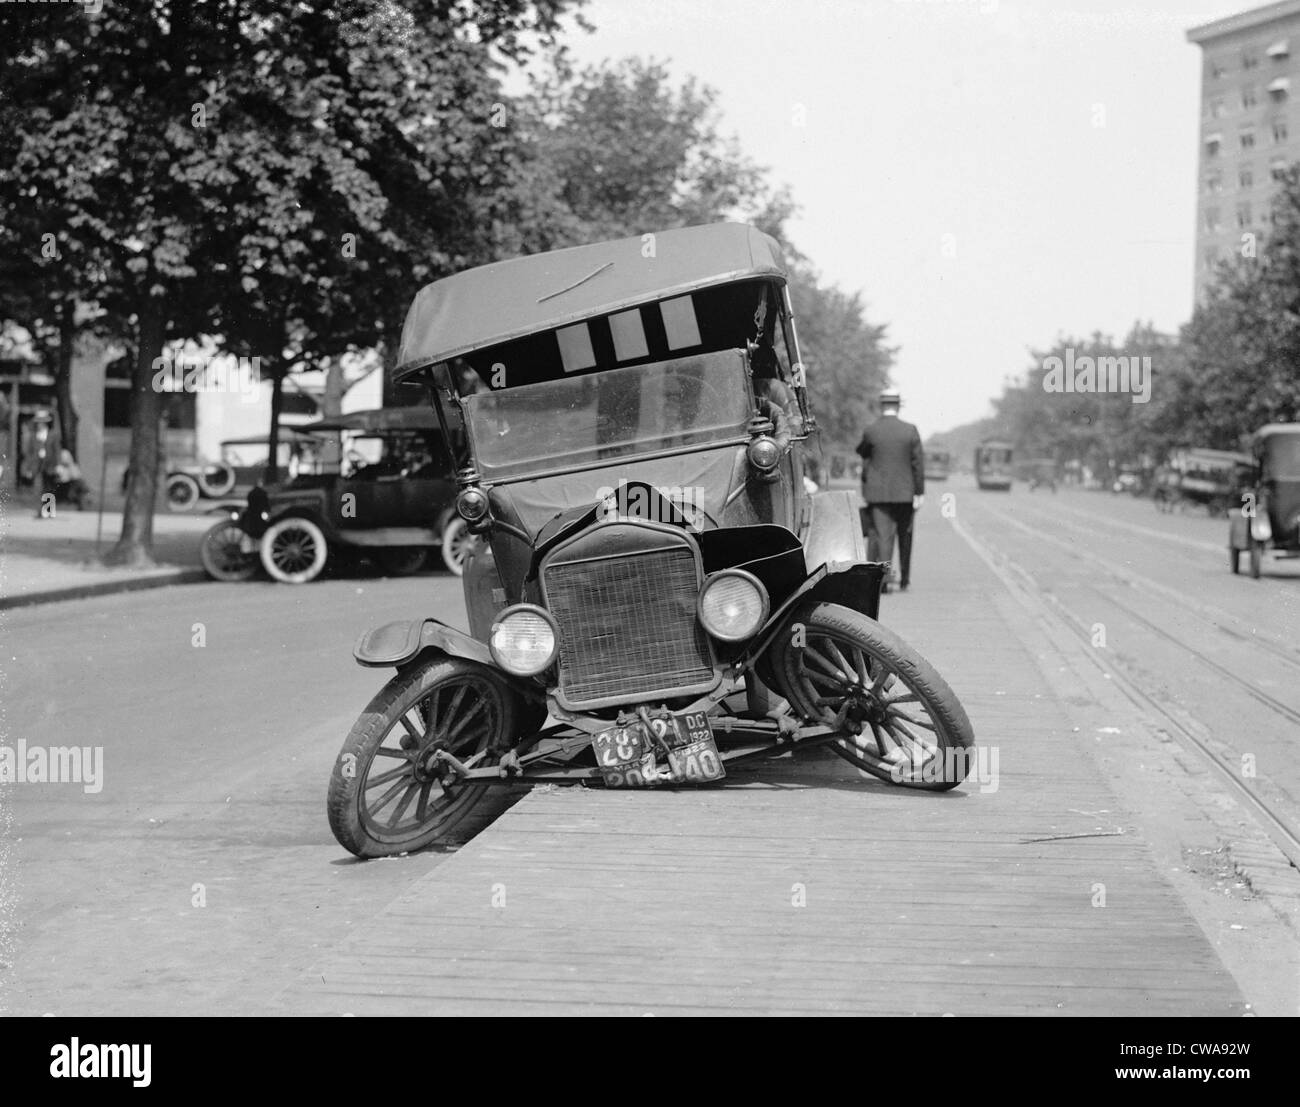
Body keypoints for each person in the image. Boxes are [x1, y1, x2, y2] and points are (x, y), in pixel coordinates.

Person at [855, 390, 924, 592]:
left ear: (881, 406)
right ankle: (904, 579)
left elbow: (862, 451)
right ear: (899, 406)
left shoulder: (871, 430)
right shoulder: (911, 430)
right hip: (905, 494)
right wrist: (919, 492)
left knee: (883, 536)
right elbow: (918, 464)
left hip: (878, 494)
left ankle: (883, 583)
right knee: (905, 535)